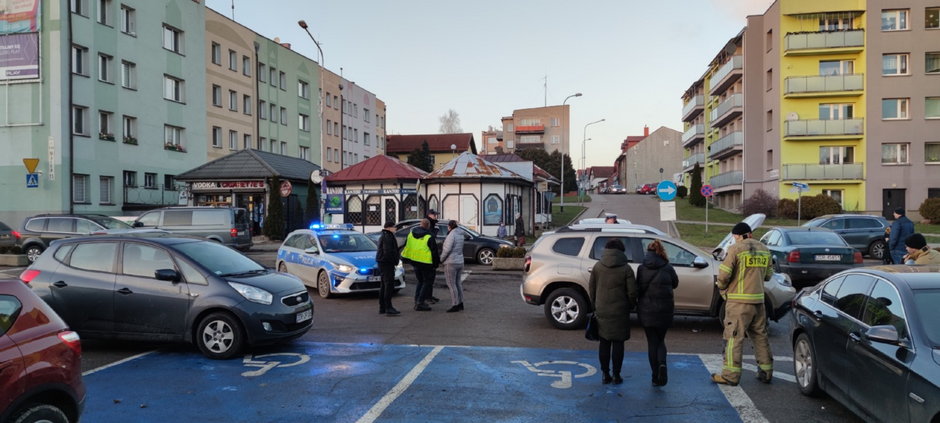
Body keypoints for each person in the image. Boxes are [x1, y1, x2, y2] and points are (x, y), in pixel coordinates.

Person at [712, 222, 774, 386]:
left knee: (733, 338)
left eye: (735, 237)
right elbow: (768, 276)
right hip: (758, 302)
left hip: (739, 304)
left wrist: (722, 288)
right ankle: (766, 372)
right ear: (750, 234)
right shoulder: (764, 249)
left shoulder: (735, 249)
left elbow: (723, 276)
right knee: (760, 336)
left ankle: (730, 376)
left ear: (738, 236)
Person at [588, 239, 637, 385]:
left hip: (602, 309)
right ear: (621, 251)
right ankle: (616, 375)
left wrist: (595, 305)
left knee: (604, 342)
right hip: (620, 311)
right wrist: (630, 306)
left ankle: (605, 374)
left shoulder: (598, 266)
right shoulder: (626, 268)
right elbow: (632, 292)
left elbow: (592, 288)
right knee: (618, 343)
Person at [636, 239, 679, 387]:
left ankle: (655, 376)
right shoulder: (667, 267)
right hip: (664, 310)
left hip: (647, 311)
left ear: (648, 252)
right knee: (661, 341)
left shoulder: (642, 268)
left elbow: (638, 289)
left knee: (651, 343)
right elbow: (675, 283)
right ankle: (662, 365)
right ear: (661, 251)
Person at [401, 219, 440, 311]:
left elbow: (407, 246)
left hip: (414, 261)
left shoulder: (411, 234)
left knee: (420, 281)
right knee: (427, 282)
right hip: (426, 263)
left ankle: (417, 300)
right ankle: (420, 303)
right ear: (428, 226)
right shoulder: (429, 236)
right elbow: (434, 252)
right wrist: (436, 264)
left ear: (420, 224)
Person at [375, 220, 401, 316]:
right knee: (388, 286)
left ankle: (382, 307)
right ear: (389, 227)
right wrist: (394, 261)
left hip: (383, 262)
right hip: (386, 263)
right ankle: (388, 307)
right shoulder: (387, 237)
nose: (395, 228)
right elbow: (388, 251)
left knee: (384, 285)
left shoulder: (385, 235)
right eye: (394, 227)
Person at [440, 220, 465, 312]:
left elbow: (447, 250)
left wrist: (441, 259)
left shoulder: (451, 235)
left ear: (449, 227)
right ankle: (461, 303)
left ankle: (455, 304)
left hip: (451, 262)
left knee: (451, 284)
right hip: (459, 261)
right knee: (458, 283)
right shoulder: (460, 234)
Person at [425, 209, 441, 304]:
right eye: (434, 215)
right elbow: (431, 237)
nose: (436, 216)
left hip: (429, 257)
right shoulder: (428, 224)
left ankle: (429, 296)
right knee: (427, 279)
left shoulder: (433, 223)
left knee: (430, 279)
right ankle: (426, 297)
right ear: (430, 215)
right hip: (427, 258)